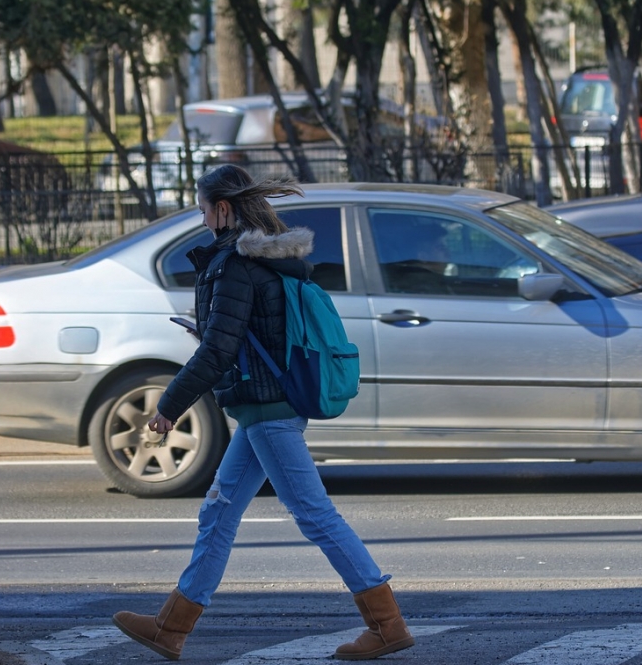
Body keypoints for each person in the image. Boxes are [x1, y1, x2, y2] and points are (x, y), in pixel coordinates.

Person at [111, 164, 415, 661]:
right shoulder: (265, 261)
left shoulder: (234, 265)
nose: (202, 217)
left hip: (267, 412)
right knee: (219, 511)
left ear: (223, 209)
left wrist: (169, 407)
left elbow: (218, 352)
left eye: (204, 208)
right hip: (263, 410)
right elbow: (245, 338)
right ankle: (171, 628)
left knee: (314, 515)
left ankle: (386, 624)